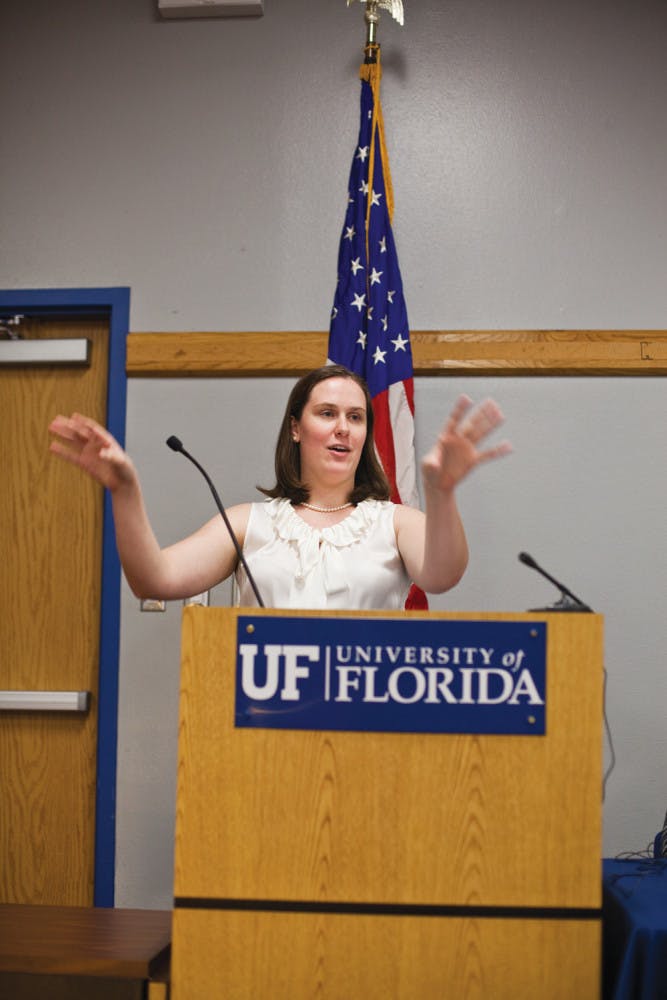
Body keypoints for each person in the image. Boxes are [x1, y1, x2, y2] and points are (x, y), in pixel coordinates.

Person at [48, 365, 511, 610]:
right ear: (295, 428)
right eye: (327, 413)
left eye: (356, 417)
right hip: (264, 737)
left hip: (368, 727)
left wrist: (442, 493)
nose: (343, 429)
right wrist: (125, 491)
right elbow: (155, 579)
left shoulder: (394, 521)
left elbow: (443, 576)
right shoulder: (249, 522)